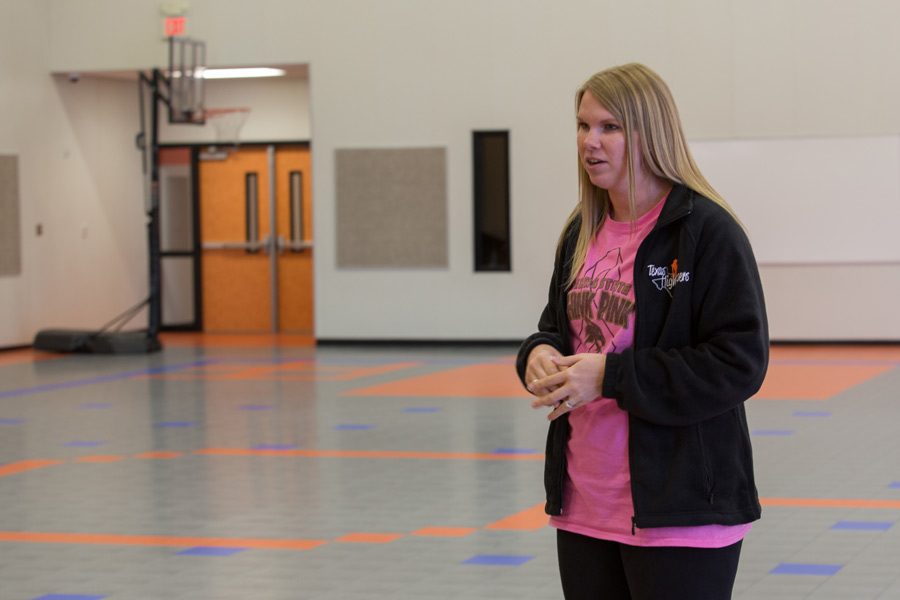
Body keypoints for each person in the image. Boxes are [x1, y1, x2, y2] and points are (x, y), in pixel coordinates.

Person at [516, 63, 769, 600]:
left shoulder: (706, 231)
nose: (591, 142)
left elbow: (739, 362)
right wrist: (538, 354)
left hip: (681, 510)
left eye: (609, 127)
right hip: (585, 505)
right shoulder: (581, 229)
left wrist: (611, 376)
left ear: (649, 133)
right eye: (583, 126)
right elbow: (558, 330)